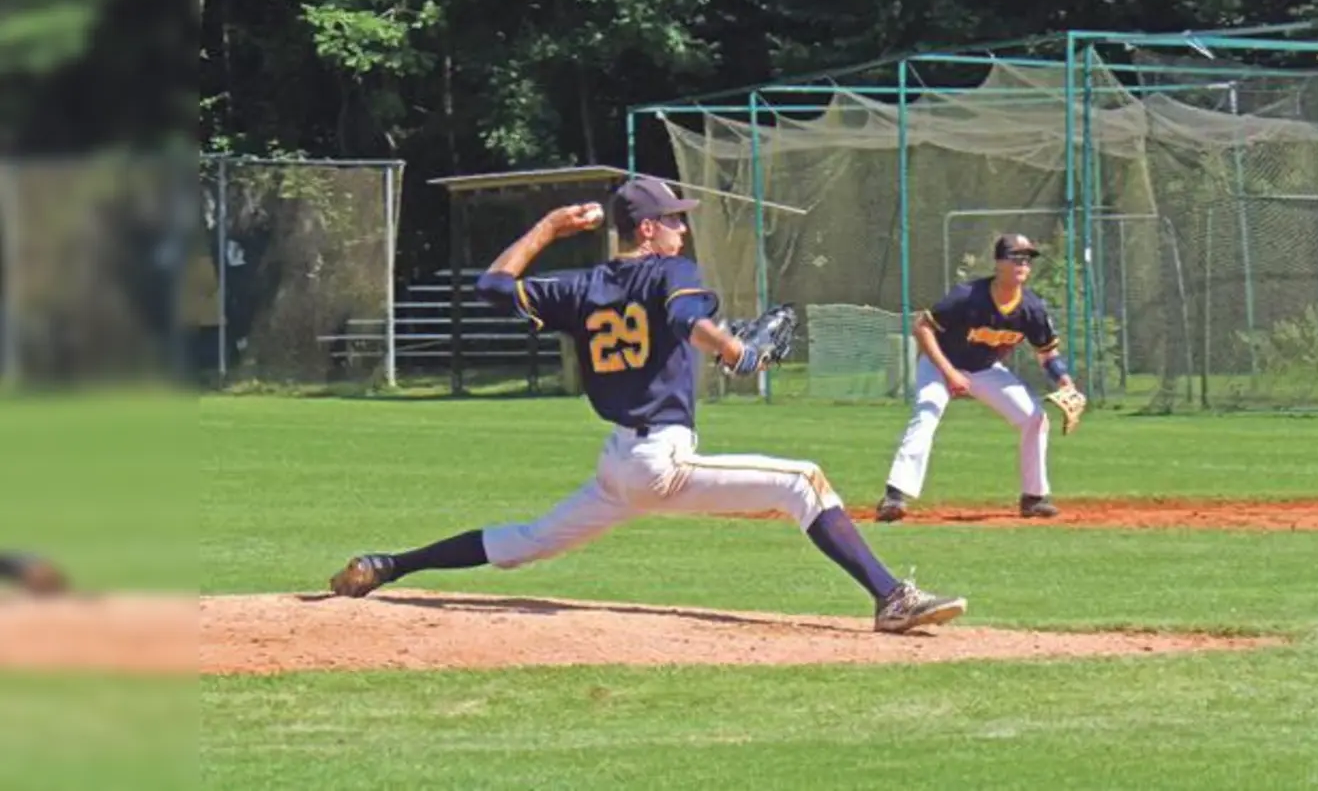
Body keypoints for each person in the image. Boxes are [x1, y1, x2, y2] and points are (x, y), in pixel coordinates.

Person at [328, 177, 967, 634]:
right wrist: (735, 352)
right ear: (647, 229)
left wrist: (548, 228)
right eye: (675, 219)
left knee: (526, 541)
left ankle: (389, 565)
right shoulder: (668, 271)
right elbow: (690, 318)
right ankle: (890, 598)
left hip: (618, 464)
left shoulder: (579, 287)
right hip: (659, 457)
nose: (683, 229)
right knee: (804, 482)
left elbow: (493, 285)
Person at [876, 233, 1080, 523]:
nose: (1023, 264)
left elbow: (1047, 352)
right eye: (1015, 257)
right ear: (998, 263)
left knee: (1034, 418)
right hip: (940, 364)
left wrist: (1065, 382)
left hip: (984, 369)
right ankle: (895, 496)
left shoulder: (1032, 309)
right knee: (927, 412)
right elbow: (922, 328)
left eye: (1027, 259)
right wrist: (949, 373)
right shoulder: (967, 296)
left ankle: (1033, 497)